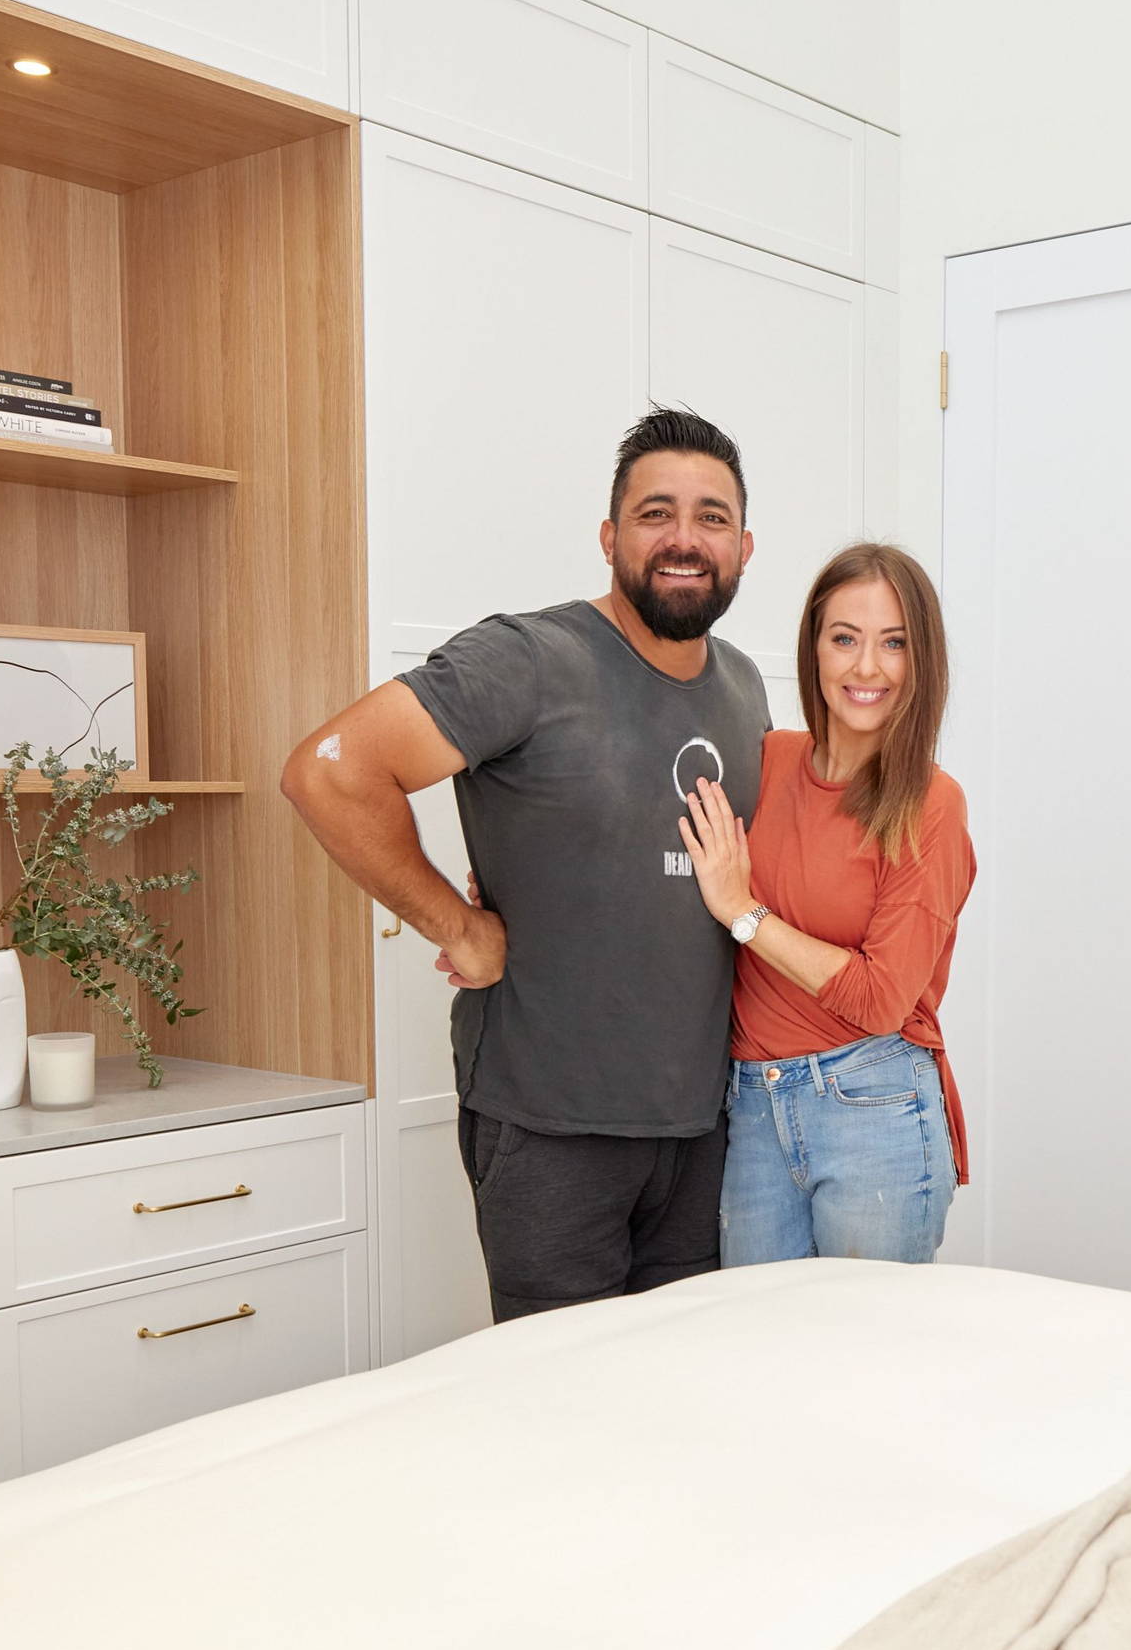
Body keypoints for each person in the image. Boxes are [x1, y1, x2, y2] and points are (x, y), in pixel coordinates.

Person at [281, 408, 770, 1319]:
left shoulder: (744, 683)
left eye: (711, 517)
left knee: (682, 1409)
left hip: (706, 1126)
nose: (683, 538)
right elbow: (331, 772)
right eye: (655, 511)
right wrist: (458, 925)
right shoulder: (529, 660)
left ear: (744, 545)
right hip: (552, 1129)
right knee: (556, 1421)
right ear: (608, 534)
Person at [675, 542, 975, 1265]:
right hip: (751, 1103)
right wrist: (506, 900)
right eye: (845, 638)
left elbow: (878, 998)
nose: (867, 667)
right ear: (814, 648)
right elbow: (645, 835)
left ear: (920, 660)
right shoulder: (765, 759)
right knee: (764, 1355)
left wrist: (745, 914)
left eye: (893, 643)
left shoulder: (931, 803)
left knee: (868, 1364)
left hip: (872, 1101)